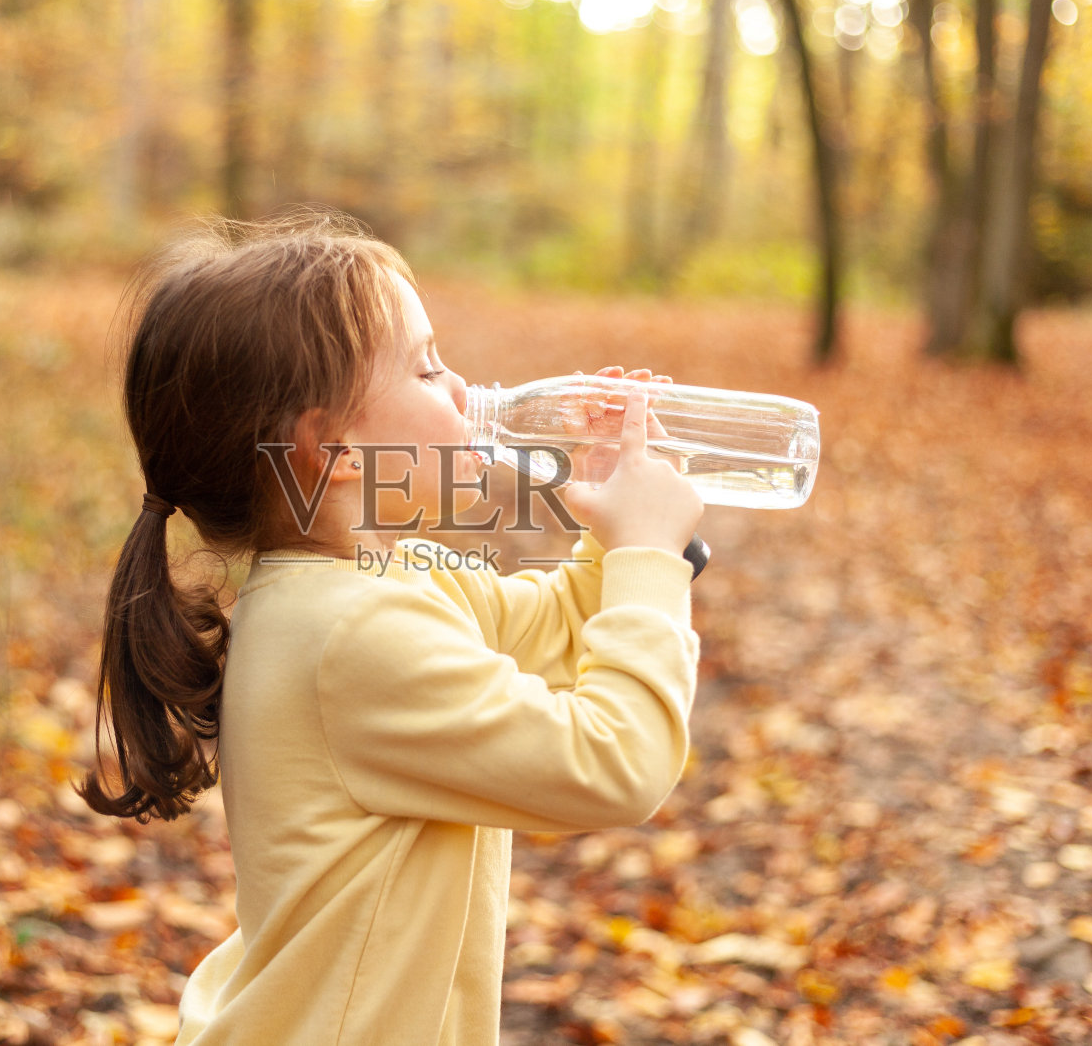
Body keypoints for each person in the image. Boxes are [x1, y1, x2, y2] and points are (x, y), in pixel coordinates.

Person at [77, 211, 704, 1045]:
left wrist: (610, 530)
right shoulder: (352, 634)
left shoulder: (379, 579)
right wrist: (649, 557)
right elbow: (616, 766)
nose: (462, 389)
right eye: (427, 367)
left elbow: (555, 629)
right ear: (331, 448)